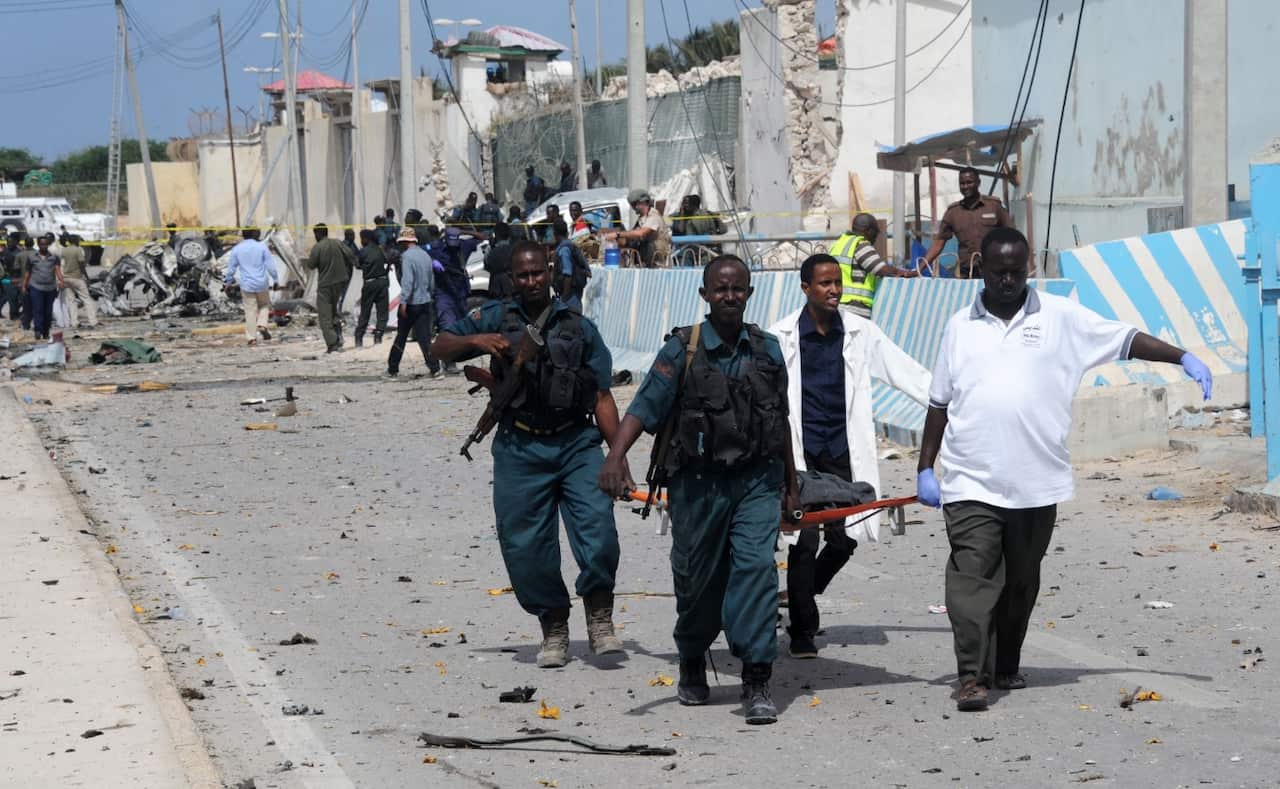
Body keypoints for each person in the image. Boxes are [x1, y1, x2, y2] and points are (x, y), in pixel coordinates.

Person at [916, 227, 1214, 712]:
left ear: (1029, 267)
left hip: (1037, 483)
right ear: (980, 268)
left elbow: (1125, 339)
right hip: (971, 479)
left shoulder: (1062, 317)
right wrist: (925, 467)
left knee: (1020, 580)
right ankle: (971, 676)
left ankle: (1005, 663)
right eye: (998, 272)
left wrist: (1181, 356)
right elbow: (938, 403)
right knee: (971, 578)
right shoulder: (958, 326)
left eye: (1017, 271)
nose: (1008, 280)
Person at [599, 254, 802, 726]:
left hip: (755, 481)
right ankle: (692, 656)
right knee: (697, 581)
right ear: (705, 294)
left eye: (738, 289)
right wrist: (615, 455)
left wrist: (791, 485)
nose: (729, 296)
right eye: (720, 289)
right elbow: (644, 407)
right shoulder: (682, 350)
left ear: (749, 294)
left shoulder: (768, 350)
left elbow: (780, 422)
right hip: (698, 486)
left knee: (755, 569)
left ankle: (756, 677)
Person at [431, 241, 625, 667]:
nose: (532, 281)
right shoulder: (495, 316)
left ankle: (599, 616)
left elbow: (602, 395)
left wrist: (617, 457)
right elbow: (439, 346)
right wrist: (478, 340)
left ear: (550, 272)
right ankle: (553, 624)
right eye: (523, 275)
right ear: (512, 279)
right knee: (525, 545)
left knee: (599, 532)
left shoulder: (578, 326)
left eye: (538, 273)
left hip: (577, 443)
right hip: (520, 446)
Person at [768, 253, 930, 657]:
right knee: (803, 542)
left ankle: (801, 592)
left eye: (837, 282)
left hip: (843, 454)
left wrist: (947, 402)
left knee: (845, 538)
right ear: (805, 288)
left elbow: (904, 371)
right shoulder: (780, 338)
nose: (834, 290)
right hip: (801, 457)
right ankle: (803, 629)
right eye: (825, 283)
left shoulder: (860, 332)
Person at [921, 167, 1014, 278]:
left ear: (978, 183)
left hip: (994, 270)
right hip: (967, 272)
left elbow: (1012, 235)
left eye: (969, 182)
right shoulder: (953, 212)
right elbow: (938, 245)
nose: (965, 186)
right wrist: (919, 269)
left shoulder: (993, 206)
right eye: (962, 183)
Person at [827, 212, 918, 320]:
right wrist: (904, 273)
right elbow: (880, 269)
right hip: (855, 308)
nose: (875, 238)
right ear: (869, 231)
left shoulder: (838, 244)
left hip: (836, 304)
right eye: (876, 233)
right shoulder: (860, 244)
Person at [387, 227, 438, 377]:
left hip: (410, 304)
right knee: (425, 338)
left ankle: (392, 370)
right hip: (425, 301)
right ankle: (435, 368)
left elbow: (407, 281)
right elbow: (431, 282)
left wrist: (403, 302)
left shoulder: (407, 257)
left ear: (404, 242)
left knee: (401, 337)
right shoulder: (426, 256)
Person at [304, 223, 357, 353]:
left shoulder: (318, 247)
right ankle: (339, 337)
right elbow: (351, 255)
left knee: (325, 316)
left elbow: (311, 265)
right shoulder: (337, 243)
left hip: (325, 285)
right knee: (334, 311)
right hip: (340, 282)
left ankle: (332, 343)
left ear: (318, 234)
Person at [223, 227, 278, 345]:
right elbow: (271, 266)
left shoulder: (237, 249)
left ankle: (251, 338)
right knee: (264, 305)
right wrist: (276, 279)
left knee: (250, 310)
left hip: (246, 284)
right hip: (262, 283)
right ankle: (262, 324)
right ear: (254, 234)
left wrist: (227, 283)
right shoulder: (262, 247)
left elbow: (231, 268)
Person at [21, 234, 65, 340]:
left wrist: (61, 281)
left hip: (50, 288)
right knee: (38, 309)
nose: (44, 246)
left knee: (48, 311)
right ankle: (37, 330)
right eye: (41, 244)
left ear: (48, 245)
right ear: (38, 245)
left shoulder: (54, 257)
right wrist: (24, 285)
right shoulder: (32, 257)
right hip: (36, 287)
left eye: (45, 244)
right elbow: (28, 272)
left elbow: (57, 270)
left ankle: (45, 331)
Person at [354, 229, 390, 347]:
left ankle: (359, 338)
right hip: (383, 283)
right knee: (382, 313)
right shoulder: (381, 250)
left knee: (365, 312)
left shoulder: (363, 252)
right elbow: (388, 260)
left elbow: (358, 265)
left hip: (370, 284)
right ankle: (378, 336)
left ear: (366, 239)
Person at [59, 235, 97, 330]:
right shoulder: (78, 250)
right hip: (76, 278)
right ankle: (93, 321)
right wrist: (86, 277)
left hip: (66, 278)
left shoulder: (64, 250)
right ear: (76, 240)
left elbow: (62, 264)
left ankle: (74, 322)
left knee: (71, 301)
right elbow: (81, 264)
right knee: (86, 299)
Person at [552, 219, 589, 310]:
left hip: (570, 297)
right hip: (572, 295)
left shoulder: (564, 250)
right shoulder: (570, 245)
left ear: (555, 233)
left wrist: (564, 299)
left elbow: (568, 274)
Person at [484, 221, 514, 300]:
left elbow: (487, 266)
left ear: (495, 235)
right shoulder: (515, 250)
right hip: (513, 289)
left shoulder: (490, 250)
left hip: (496, 289)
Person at [1, 235, 21, 322]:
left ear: (16, 242)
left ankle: (16, 314)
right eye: (8, 241)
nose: (9, 243)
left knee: (18, 298)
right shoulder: (4, 252)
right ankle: (13, 315)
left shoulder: (19, 252)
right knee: (11, 297)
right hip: (7, 278)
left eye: (11, 241)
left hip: (17, 278)